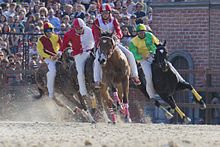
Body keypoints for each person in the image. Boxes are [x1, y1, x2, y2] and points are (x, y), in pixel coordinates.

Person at [129, 24, 186, 99]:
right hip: (143, 60)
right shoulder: (133, 41)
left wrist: (160, 49)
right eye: (139, 32)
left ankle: (181, 81)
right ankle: (152, 95)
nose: (142, 33)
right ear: (137, 33)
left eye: (143, 32)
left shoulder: (150, 35)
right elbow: (133, 54)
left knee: (167, 65)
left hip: (153, 55)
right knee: (148, 76)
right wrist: (141, 56)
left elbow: (157, 43)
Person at [92, 3, 141, 88]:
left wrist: (117, 36)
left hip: (113, 43)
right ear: (101, 14)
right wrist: (99, 42)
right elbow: (95, 34)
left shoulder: (114, 20)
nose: (105, 15)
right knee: (97, 60)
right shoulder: (96, 22)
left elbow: (119, 31)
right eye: (103, 13)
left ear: (109, 13)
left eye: (106, 13)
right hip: (102, 44)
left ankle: (134, 75)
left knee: (130, 54)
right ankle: (97, 80)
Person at [60, 18, 95, 99]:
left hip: (90, 51)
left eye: (80, 28)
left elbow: (95, 41)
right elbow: (64, 44)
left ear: (84, 26)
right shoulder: (70, 33)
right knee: (80, 71)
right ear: (74, 28)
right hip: (79, 54)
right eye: (77, 29)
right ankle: (83, 92)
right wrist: (59, 53)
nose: (79, 30)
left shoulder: (89, 31)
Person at [37, 22, 62, 99]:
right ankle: (51, 93)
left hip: (58, 56)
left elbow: (63, 45)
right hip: (48, 59)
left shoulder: (56, 37)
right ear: (44, 32)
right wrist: (50, 57)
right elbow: (40, 51)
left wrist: (59, 53)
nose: (49, 32)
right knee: (52, 72)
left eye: (50, 30)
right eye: (47, 31)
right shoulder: (41, 39)